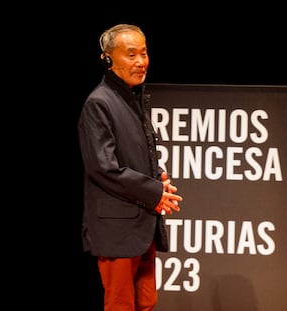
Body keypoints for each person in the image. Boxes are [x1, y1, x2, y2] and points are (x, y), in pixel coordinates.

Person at [78, 23, 183, 311]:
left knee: (146, 302)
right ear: (109, 60)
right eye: (131, 54)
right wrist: (154, 192)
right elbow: (103, 168)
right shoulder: (99, 103)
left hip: (142, 223)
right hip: (117, 229)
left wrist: (156, 176)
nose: (141, 61)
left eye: (144, 53)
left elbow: (131, 156)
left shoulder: (132, 98)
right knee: (121, 305)